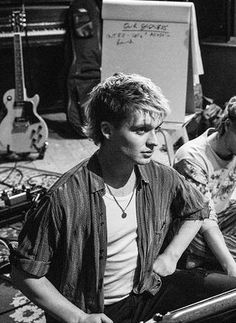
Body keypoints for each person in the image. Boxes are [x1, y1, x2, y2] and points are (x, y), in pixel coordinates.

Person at [9, 73, 236, 323]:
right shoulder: (64, 197)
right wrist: (79, 318)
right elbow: (24, 273)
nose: (154, 142)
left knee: (230, 297)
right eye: (140, 130)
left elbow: (198, 209)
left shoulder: (159, 175)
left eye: (156, 130)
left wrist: (171, 255)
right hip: (98, 309)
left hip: (148, 288)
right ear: (106, 130)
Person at [174, 96, 236, 272]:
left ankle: (203, 258)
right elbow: (204, 218)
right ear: (227, 125)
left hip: (221, 216)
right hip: (190, 226)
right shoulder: (192, 157)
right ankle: (204, 256)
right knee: (192, 238)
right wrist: (229, 265)